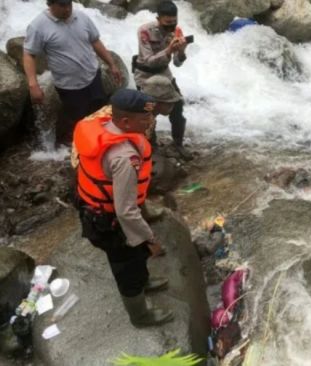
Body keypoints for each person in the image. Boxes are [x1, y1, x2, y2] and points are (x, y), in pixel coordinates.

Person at [71, 89, 173, 327]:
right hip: (111, 225)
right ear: (126, 121)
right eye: (145, 118)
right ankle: (140, 316)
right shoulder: (124, 158)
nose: (150, 121)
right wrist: (150, 239)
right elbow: (126, 212)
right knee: (127, 270)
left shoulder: (106, 123)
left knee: (136, 259)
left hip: (94, 211)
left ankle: (144, 279)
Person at [23, 0, 122, 145]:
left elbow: (95, 41)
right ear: (50, 4)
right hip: (69, 86)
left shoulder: (82, 17)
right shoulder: (38, 26)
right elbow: (29, 54)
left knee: (100, 113)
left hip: (93, 75)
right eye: (62, 5)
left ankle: (101, 143)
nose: (67, 9)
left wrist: (112, 64)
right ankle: (77, 148)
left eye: (69, 4)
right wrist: (33, 84)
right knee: (77, 120)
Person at [132, 0, 193, 161]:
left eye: (174, 23)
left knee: (178, 108)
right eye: (167, 24)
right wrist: (168, 49)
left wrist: (181, 51)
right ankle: (151, 146)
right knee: (148, 112)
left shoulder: (176, 31)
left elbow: (178, 64)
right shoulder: (144, 31)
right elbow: (148, 60)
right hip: (145, 75)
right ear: (158, 19)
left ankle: (178, 143)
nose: (171, 27)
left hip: (165, 73)